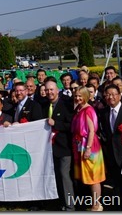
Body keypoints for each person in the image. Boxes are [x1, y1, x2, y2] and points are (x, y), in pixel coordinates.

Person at [98, 84, 122, 210]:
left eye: (113, 94)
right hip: (112, 155)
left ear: (120, 95)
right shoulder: (103, 113)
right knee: (117, 184)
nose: (111, 97)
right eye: (107, 95)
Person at [71, 86, 106, 211]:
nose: (78, 98)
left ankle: (97, 204)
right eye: (76, 96)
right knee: (85, 175)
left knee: (94, 176)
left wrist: (88, 148)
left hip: (89, 146)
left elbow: (92, 131)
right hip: (79, 145)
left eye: (80, 96)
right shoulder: (78, 109)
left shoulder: (88, 110)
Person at [43, 81, 74, 211]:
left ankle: (70, 205)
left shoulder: (66, 105)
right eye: (47, 90)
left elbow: (71, 125)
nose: (49, 92)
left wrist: (56, 123)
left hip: (64, 147)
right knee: (56, 176)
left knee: (64, 175)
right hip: (50, 149)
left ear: (57, 90)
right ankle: (61, 202)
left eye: (52, 90)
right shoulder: (45, 106)